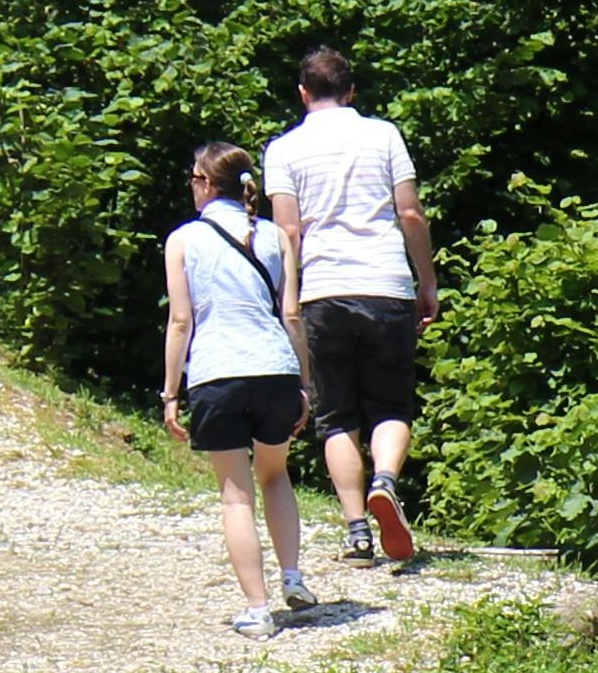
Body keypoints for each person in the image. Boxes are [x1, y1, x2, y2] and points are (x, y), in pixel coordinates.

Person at [264, 44, 437, 565]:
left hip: (323, 288)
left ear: (302, 93)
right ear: (352, 90)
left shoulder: (284, 149)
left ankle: (357, 531)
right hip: (385, 282)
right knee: (390, 404)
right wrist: (426, 280)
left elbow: (287, 229)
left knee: (336, 415)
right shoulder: (383, 134)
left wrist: (285, 296)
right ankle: (384, 481)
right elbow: (409, 212)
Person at [160, 140, 319, 635]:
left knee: (235, 496)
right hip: (275, 368)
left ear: (207, 184)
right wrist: (305, 384)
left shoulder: (184, 240)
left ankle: (257, 607)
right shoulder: (275, 237)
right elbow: (291, 314)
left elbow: (181, 320)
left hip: (216, 373)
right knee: (276, 475)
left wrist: (170, 393)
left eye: (193, 178)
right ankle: (293, 576)